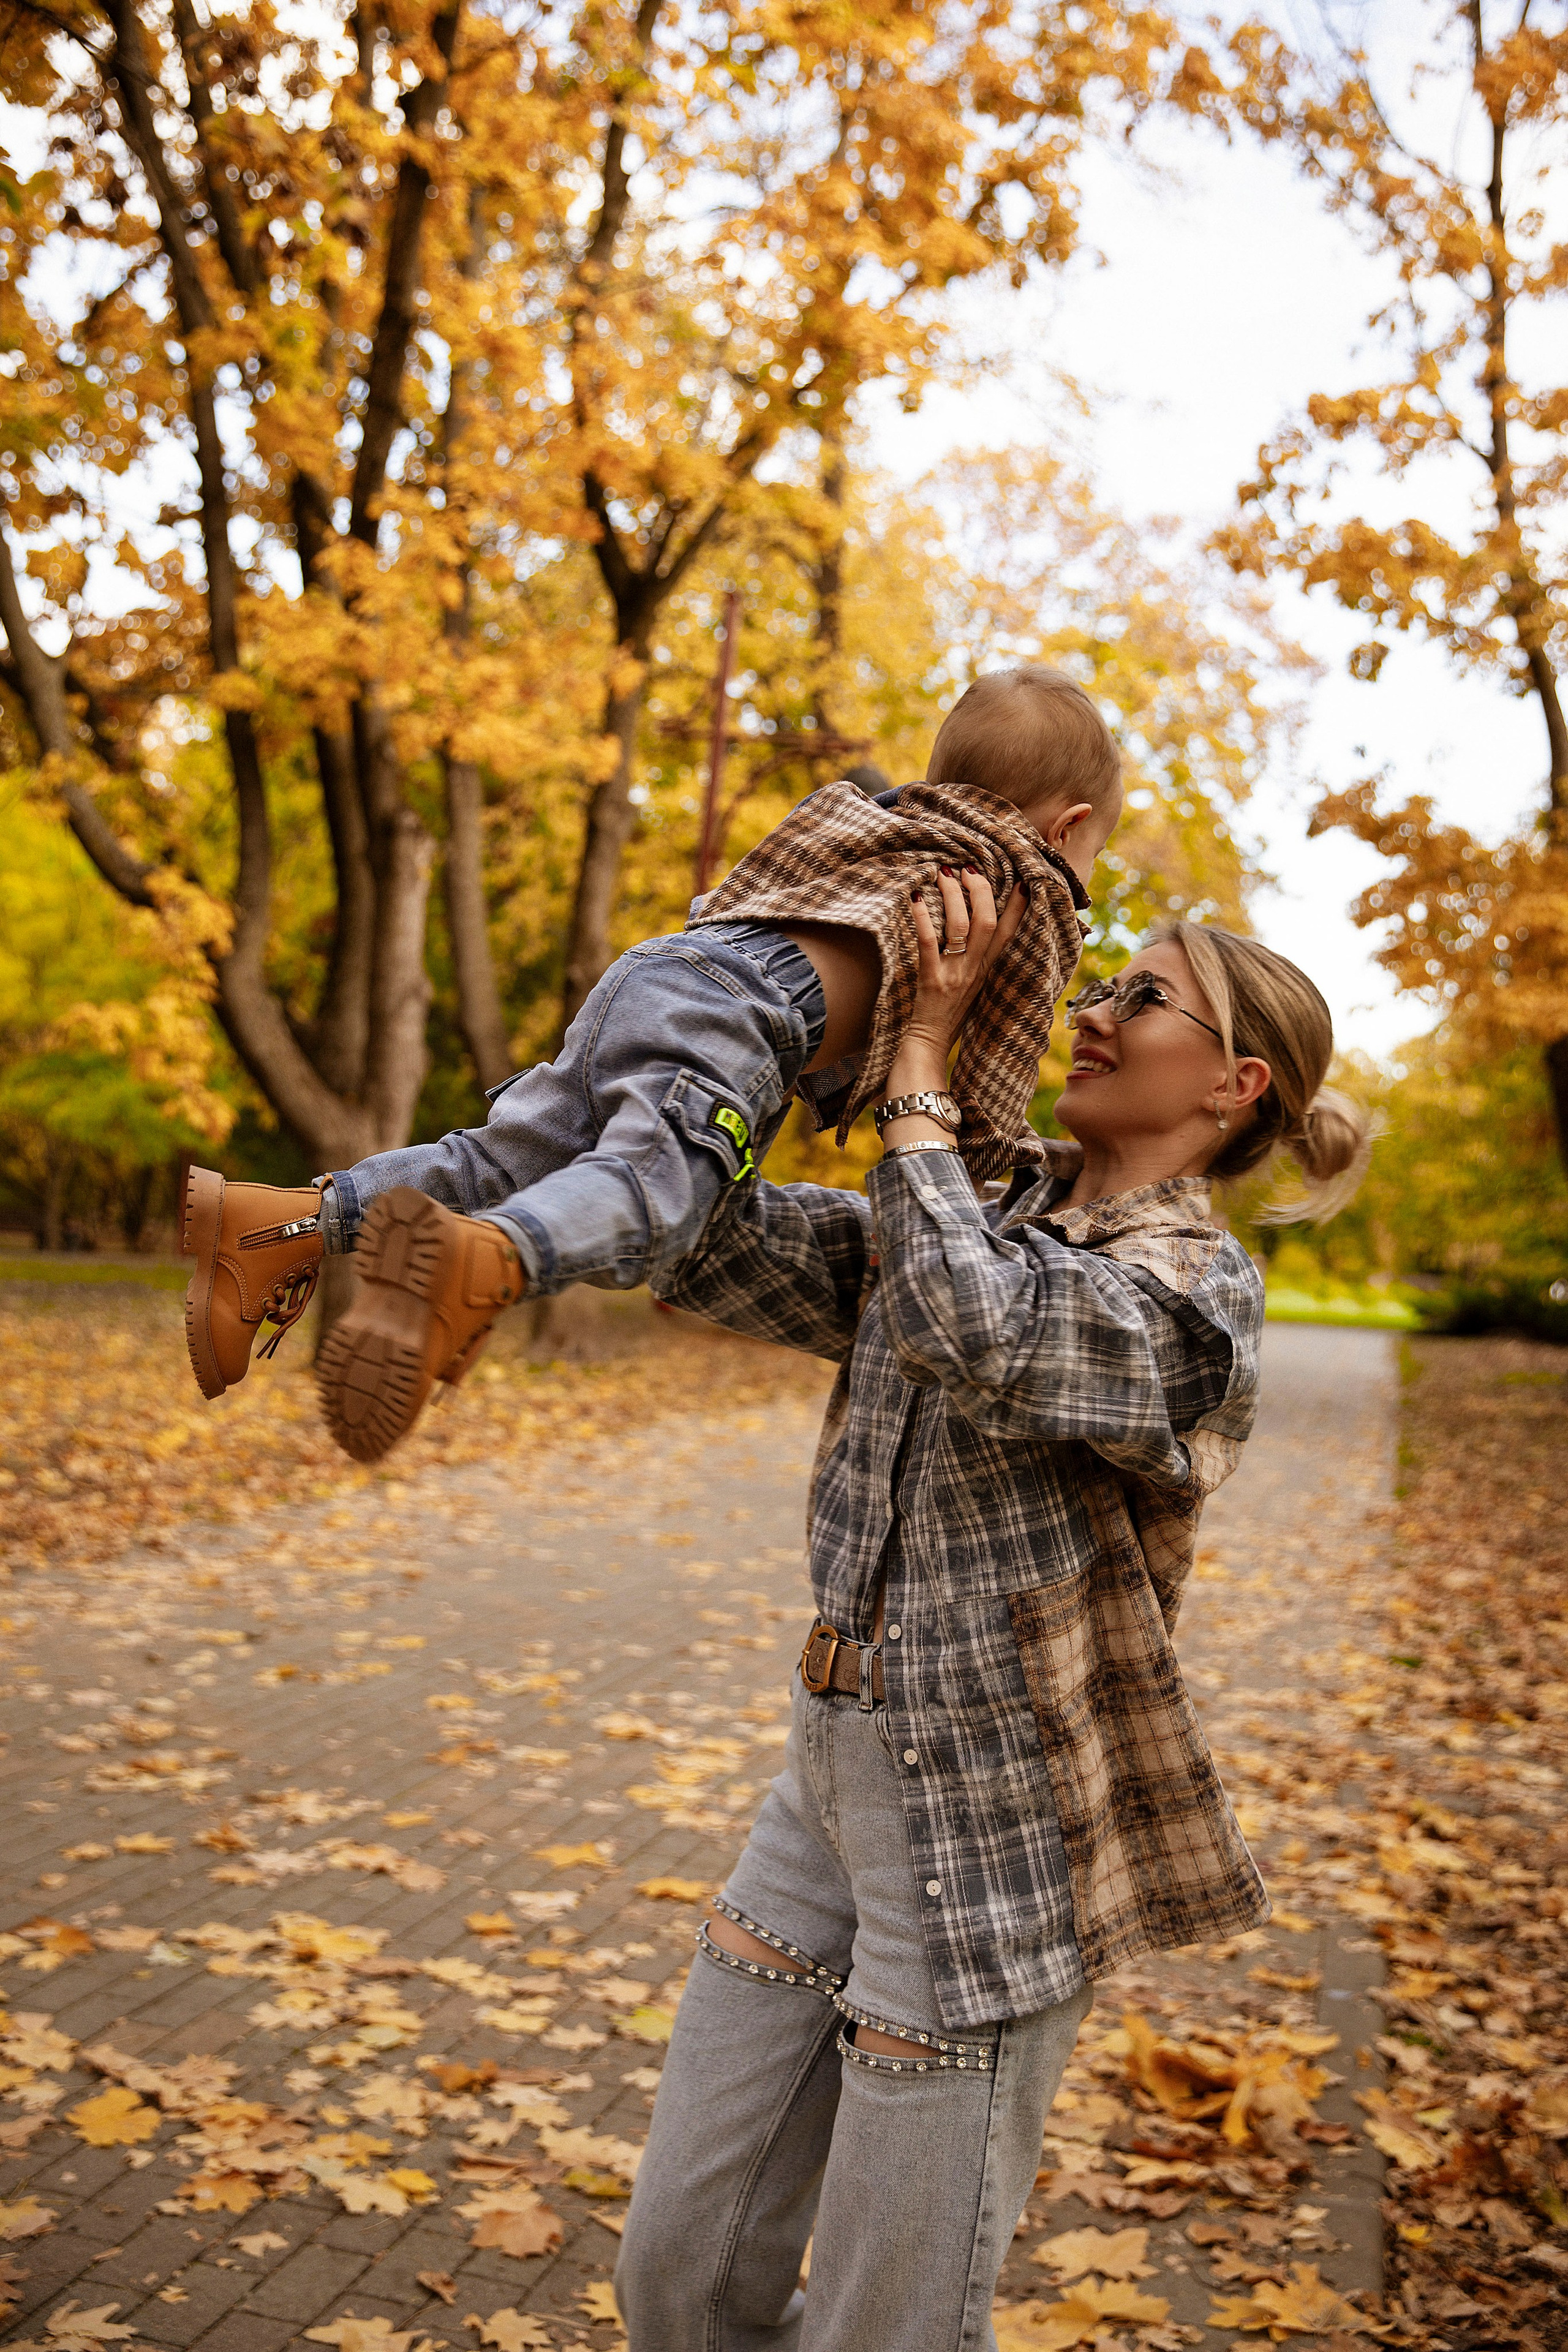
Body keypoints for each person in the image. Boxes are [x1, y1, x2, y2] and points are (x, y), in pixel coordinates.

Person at [611, 888, 1370, 2352]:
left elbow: (981, 1329)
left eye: (1138, 998)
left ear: (1234, 1085)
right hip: (824, 1775)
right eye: (1097, 983)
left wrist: (919, 1074)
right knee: (679, 2275)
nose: (1090, 1012)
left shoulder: (1195, 1291)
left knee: (879, 2328)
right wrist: (730, 1028)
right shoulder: (977, 1205)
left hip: (991, 1829)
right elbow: (703, 1249)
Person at [180, 665, 1124, 1460]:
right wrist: (992, 1163)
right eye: (1093, 855)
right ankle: (487, 1261)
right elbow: (995, 1062)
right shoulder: (1020, 885)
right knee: (659, 1188)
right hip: (752, 1018)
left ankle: (277, 1224)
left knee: (501, 1160)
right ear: (1069, 827)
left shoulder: (880, 821)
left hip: (669, 966)